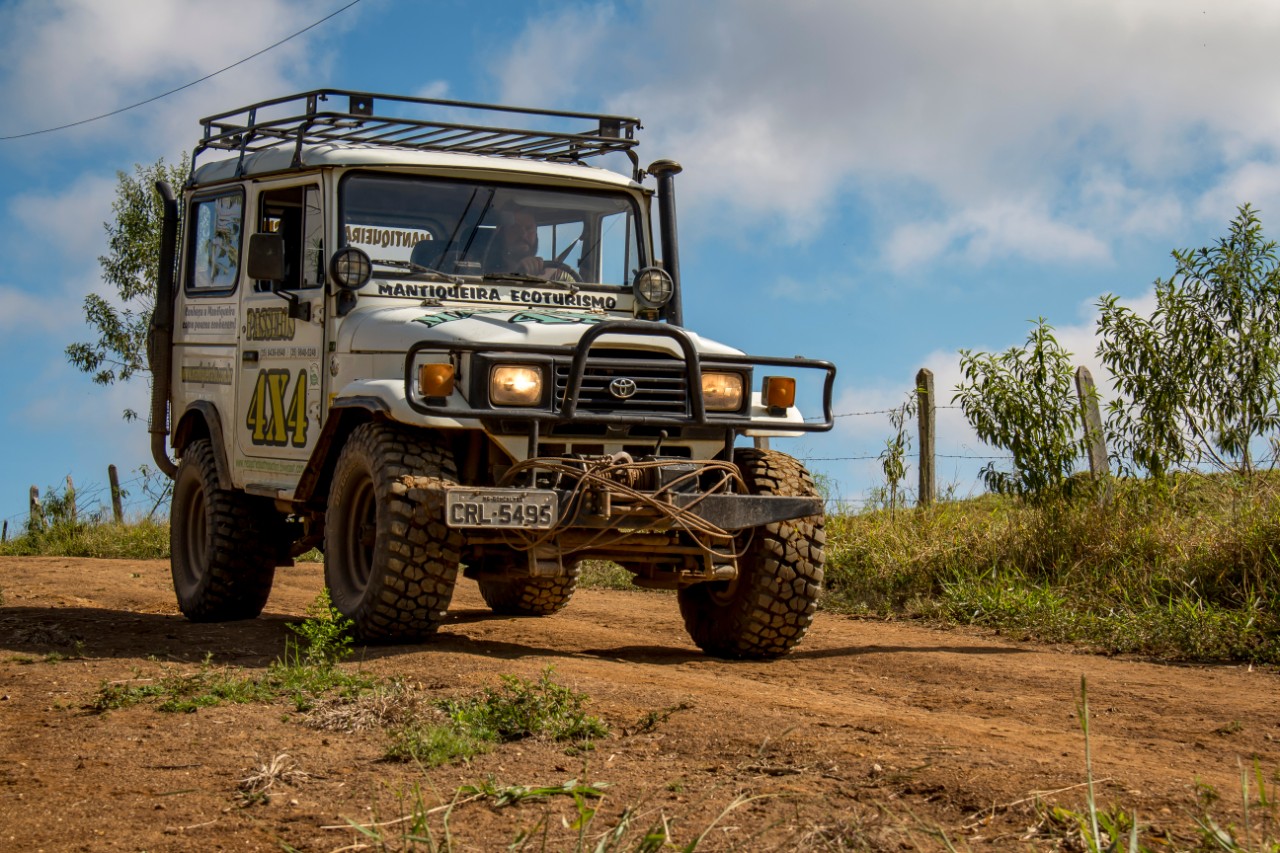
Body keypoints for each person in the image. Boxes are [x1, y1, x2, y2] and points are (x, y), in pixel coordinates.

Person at [487, 208, 577, 281]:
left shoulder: (557, 277)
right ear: (502, 233)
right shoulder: (483, 272)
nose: (523, 234)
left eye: (529, 228)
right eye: (515, 227)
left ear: (536, 234)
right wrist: (517, 273)